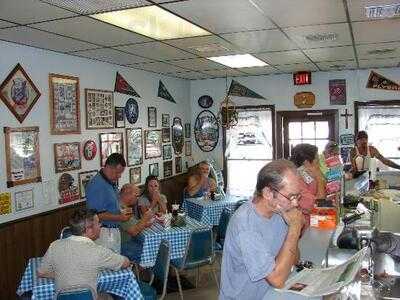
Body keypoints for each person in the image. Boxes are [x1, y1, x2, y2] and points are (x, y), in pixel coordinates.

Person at [219, 160, 305, 300]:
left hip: (269, 294)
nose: (295, 203)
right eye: (291, 197)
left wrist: (292, 229)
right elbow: (277, 280)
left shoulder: (279, 211)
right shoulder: (246, 226)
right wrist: (295, 228)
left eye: (298, 196)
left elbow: (294, 258)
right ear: (268, 193)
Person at [37, 209, 130, 299]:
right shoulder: (98, 251)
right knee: (109, 295)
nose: (101, 225)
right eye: (98, 223)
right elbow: (126, 263)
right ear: (89, 230)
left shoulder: (55, 245)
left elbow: (41, 272)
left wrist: (62, 273)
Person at [86, 153, 130, 253]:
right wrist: (120, 217)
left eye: (121, 173)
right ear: (108, 167)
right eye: (117, 172)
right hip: (103, 233)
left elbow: (114, 201)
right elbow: (97, 215)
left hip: (112, 231)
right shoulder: (97, 185)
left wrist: (122, 208)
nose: (119, 176)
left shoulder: (109, 182)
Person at [291, 144, 325, 224]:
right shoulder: (297, 182)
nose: (319, 163)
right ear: (306, 162)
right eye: (317, 159)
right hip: (307, 228)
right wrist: (319, 177)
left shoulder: (307, 176)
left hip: (314, 221)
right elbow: (320, 205)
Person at [119, 183, 154, 262]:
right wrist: (145, 218)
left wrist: (144, 222)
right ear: (128, 194)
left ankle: (144, 269)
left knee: (152, 244)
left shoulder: (124, 206)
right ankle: (152, 272)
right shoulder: (121, 209)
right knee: (152, 252)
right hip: (122, 245)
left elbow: (133, 224)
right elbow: (134, 231)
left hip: (129, 239)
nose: (138, 199)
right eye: (136, 196)